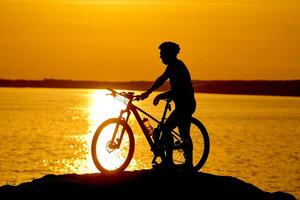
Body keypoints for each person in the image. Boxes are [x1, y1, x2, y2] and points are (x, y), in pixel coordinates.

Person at [139, 41, 196, 169]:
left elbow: (178, 90)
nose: (160, 56)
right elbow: (161, 79)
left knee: (171, 131)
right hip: (181, 105)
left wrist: (161, 95)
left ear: (169, 54)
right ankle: (183, 163)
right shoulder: (172, 66)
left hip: (185, 106)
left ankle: (170, 163)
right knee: (180, 132)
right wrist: (148, 92)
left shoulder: (177, 66)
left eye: (162, 53)